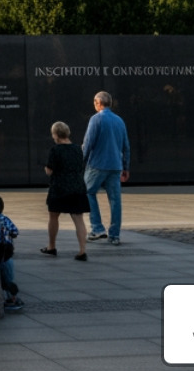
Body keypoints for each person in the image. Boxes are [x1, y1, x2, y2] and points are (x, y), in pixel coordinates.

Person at [82, 91, 130, 245]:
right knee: (115, 200)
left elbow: (88, 143)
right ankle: (114, 235)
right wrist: (126, 167)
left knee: (87, 192)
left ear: (98, 103)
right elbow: (126, 146)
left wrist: (80, 162)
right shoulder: (119, 121)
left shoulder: (96, 119)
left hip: (97, 164)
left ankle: (97, 228)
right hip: (116, 165)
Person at [42, 121, 90, 261]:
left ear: (56, 135)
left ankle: (51, 246)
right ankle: (82, 251)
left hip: (59, 188)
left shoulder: (55, 150)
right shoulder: (77, 149)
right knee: (78, 219)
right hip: (77, 187)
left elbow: (50, 170)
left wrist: (47, 168)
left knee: (53, 216)